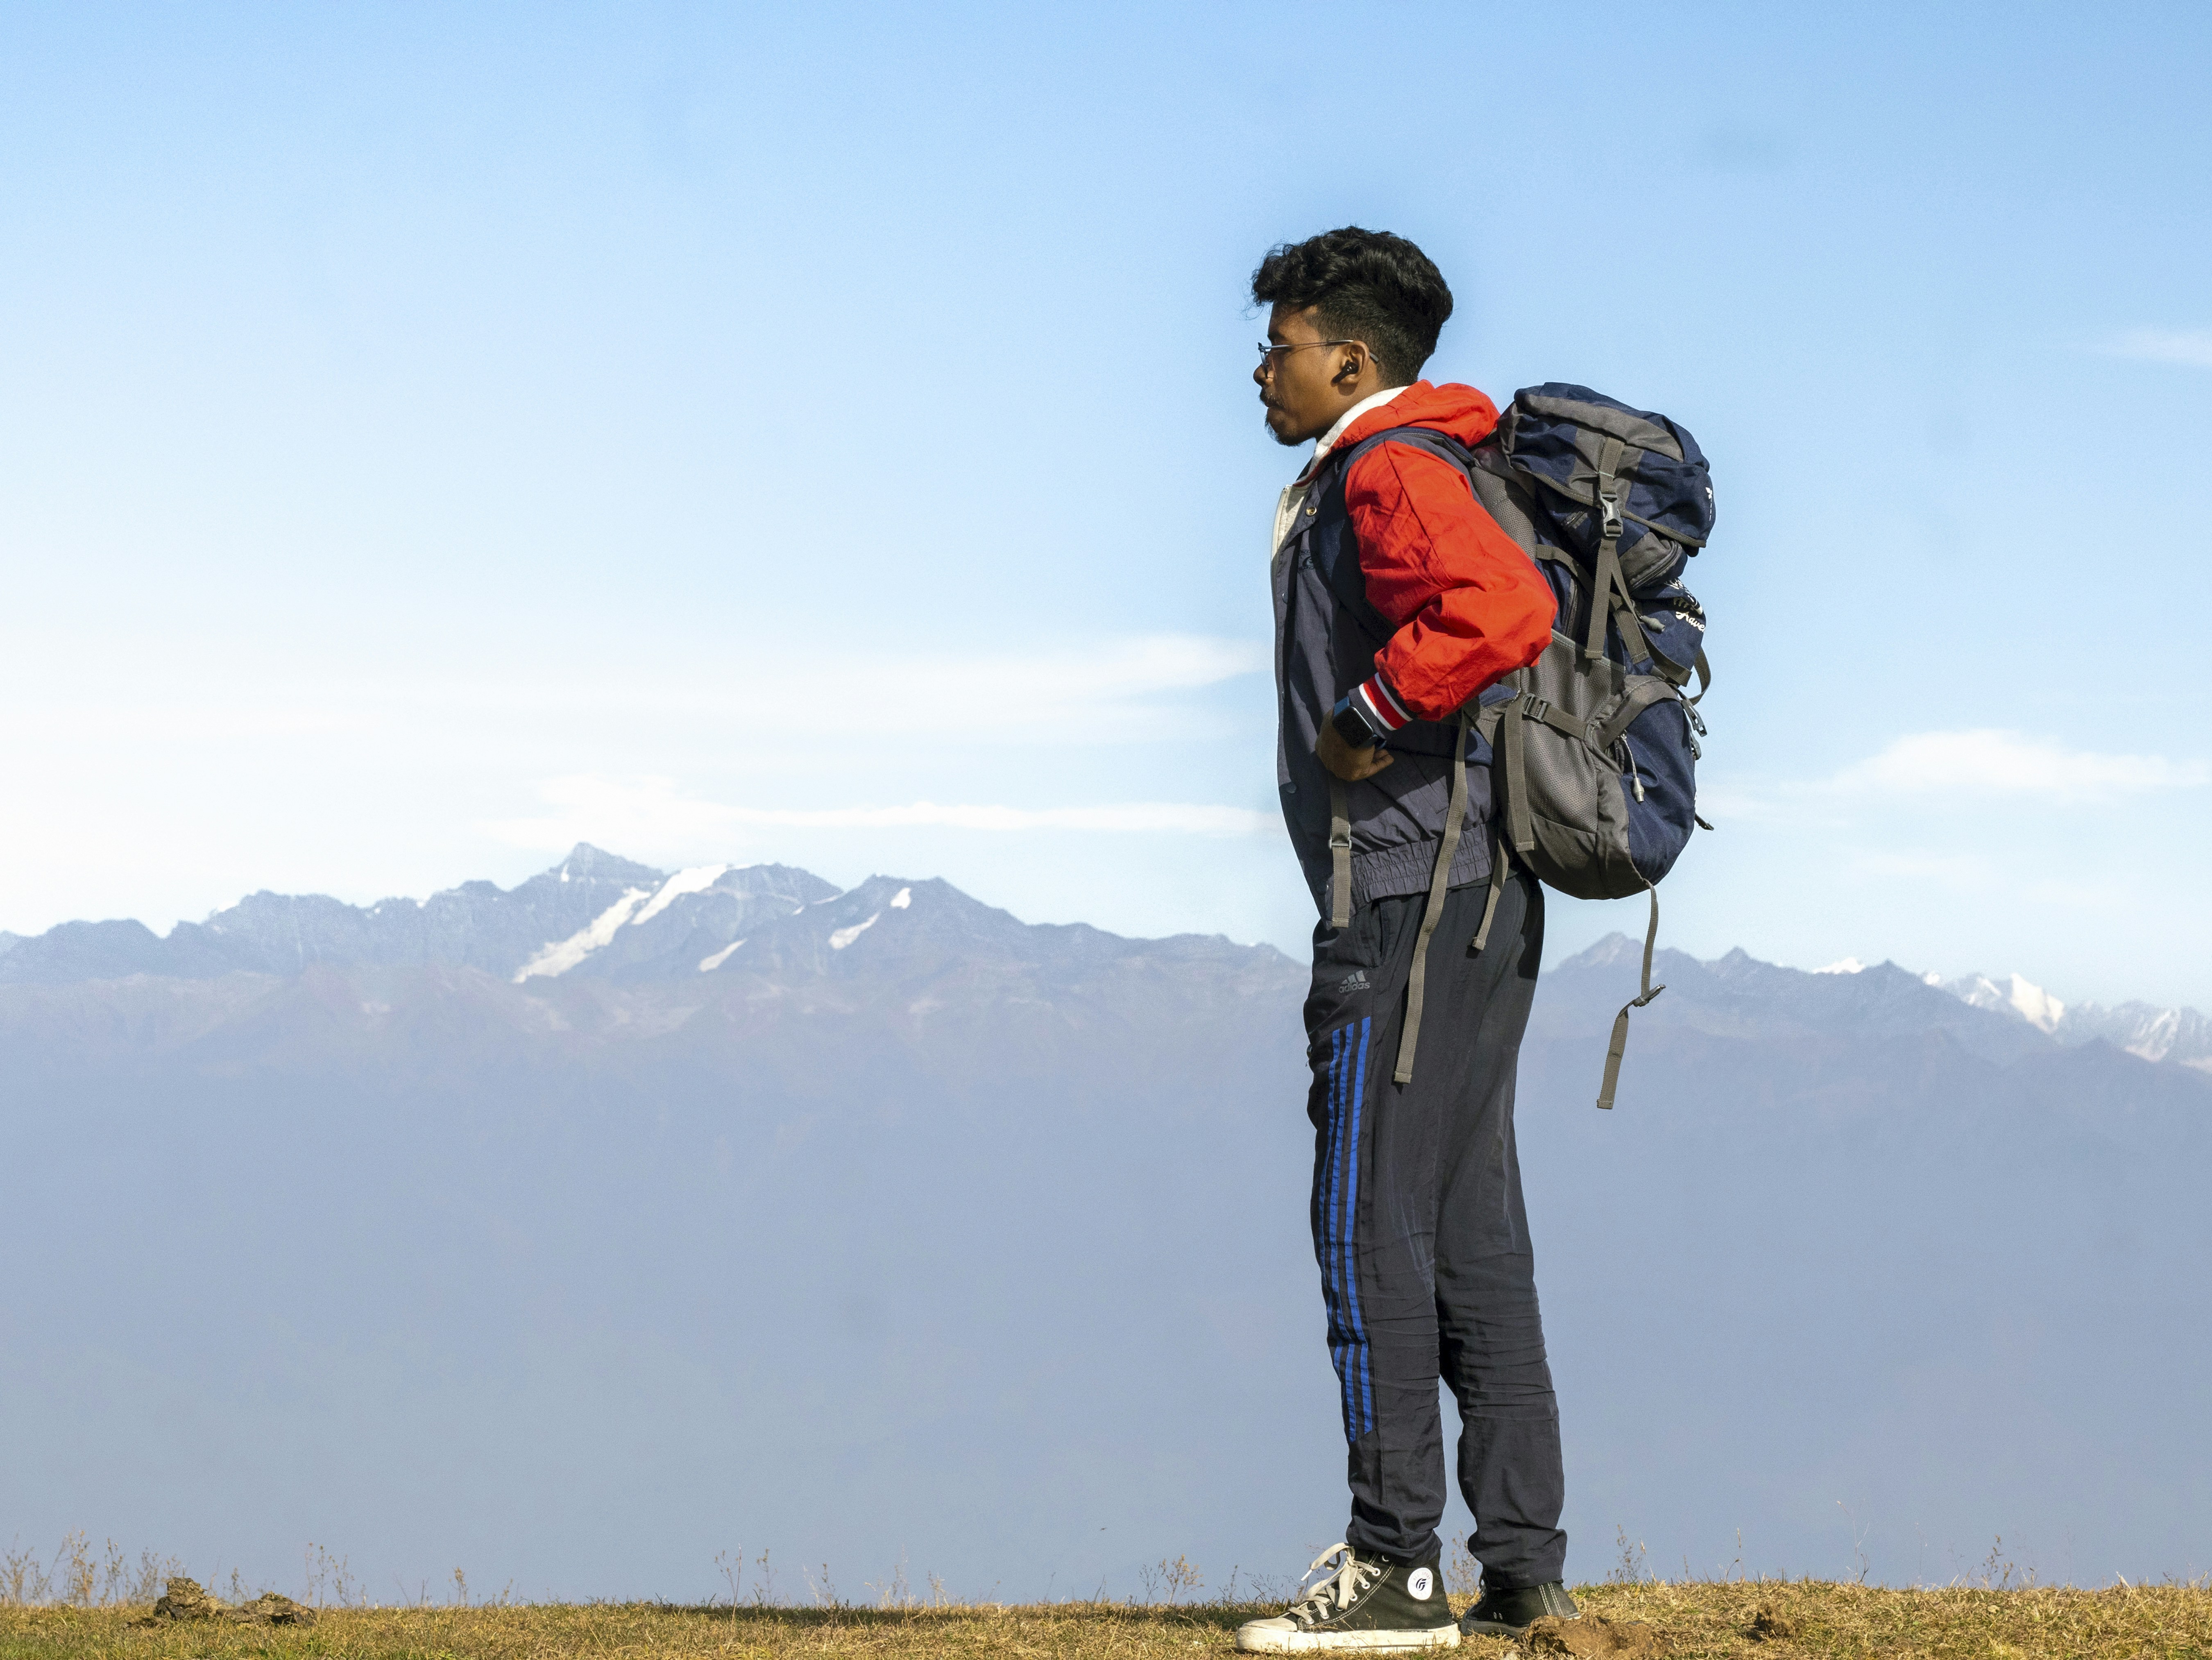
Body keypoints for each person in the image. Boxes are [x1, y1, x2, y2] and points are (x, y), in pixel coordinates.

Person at [1234, 227, 1580, 1653]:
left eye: (1281, 345)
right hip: (1482, 899)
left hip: (1403, 898)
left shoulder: (1384, 468)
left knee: (1367, 1218)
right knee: (1475, 1234)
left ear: (1352, 359)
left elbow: (1505, 607)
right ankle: (1522, 1569)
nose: (1262, 372)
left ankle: (1393, 1570)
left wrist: (1372, 719)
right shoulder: (1434, 460)